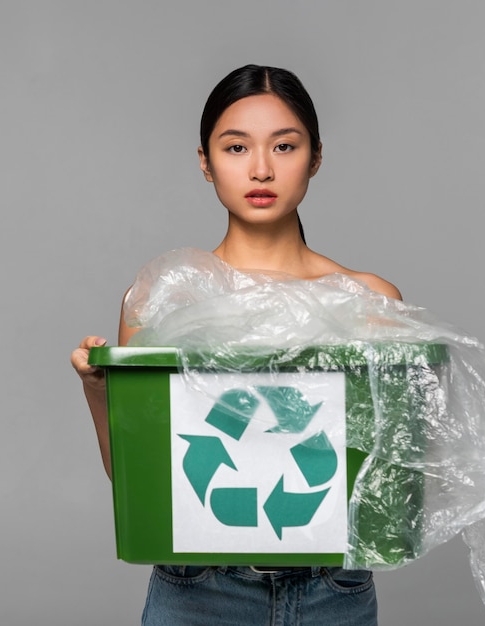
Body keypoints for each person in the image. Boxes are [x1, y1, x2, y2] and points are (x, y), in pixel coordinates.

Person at [71, 64, 401, 626]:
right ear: (205, 161)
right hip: (200, 589)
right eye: (235, 147)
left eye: (285, 145)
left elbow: (386, 481)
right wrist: (98, 391)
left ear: (315, 157)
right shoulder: (162, 300)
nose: (262, 168)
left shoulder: (365, 301)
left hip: (334, 590)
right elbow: (142, 479)